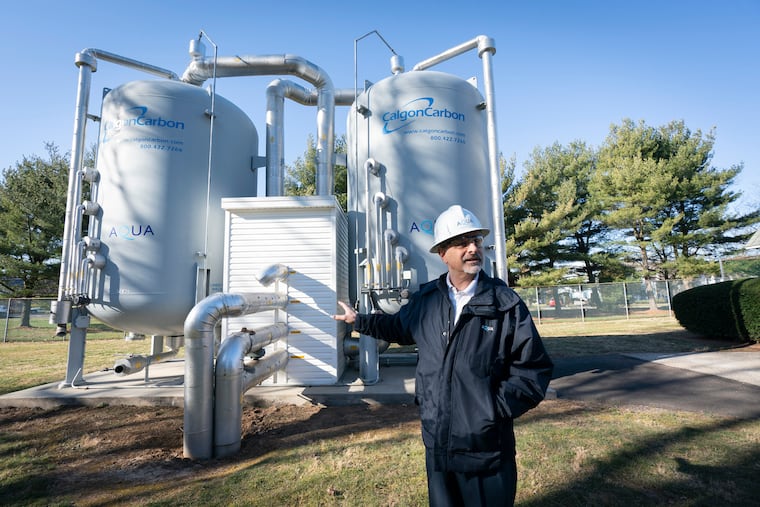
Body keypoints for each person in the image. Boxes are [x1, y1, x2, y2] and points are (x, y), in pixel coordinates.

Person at [333, 204, 553, 507]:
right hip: (438, 440)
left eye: (476, 240)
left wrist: (492, 409)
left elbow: (533, 370)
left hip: (486, 445)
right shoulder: (427, 301)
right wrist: (358, 321)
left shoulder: (504, 304)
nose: (473, 248)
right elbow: (398, 327)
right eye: (462, 242)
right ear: (442, 253)